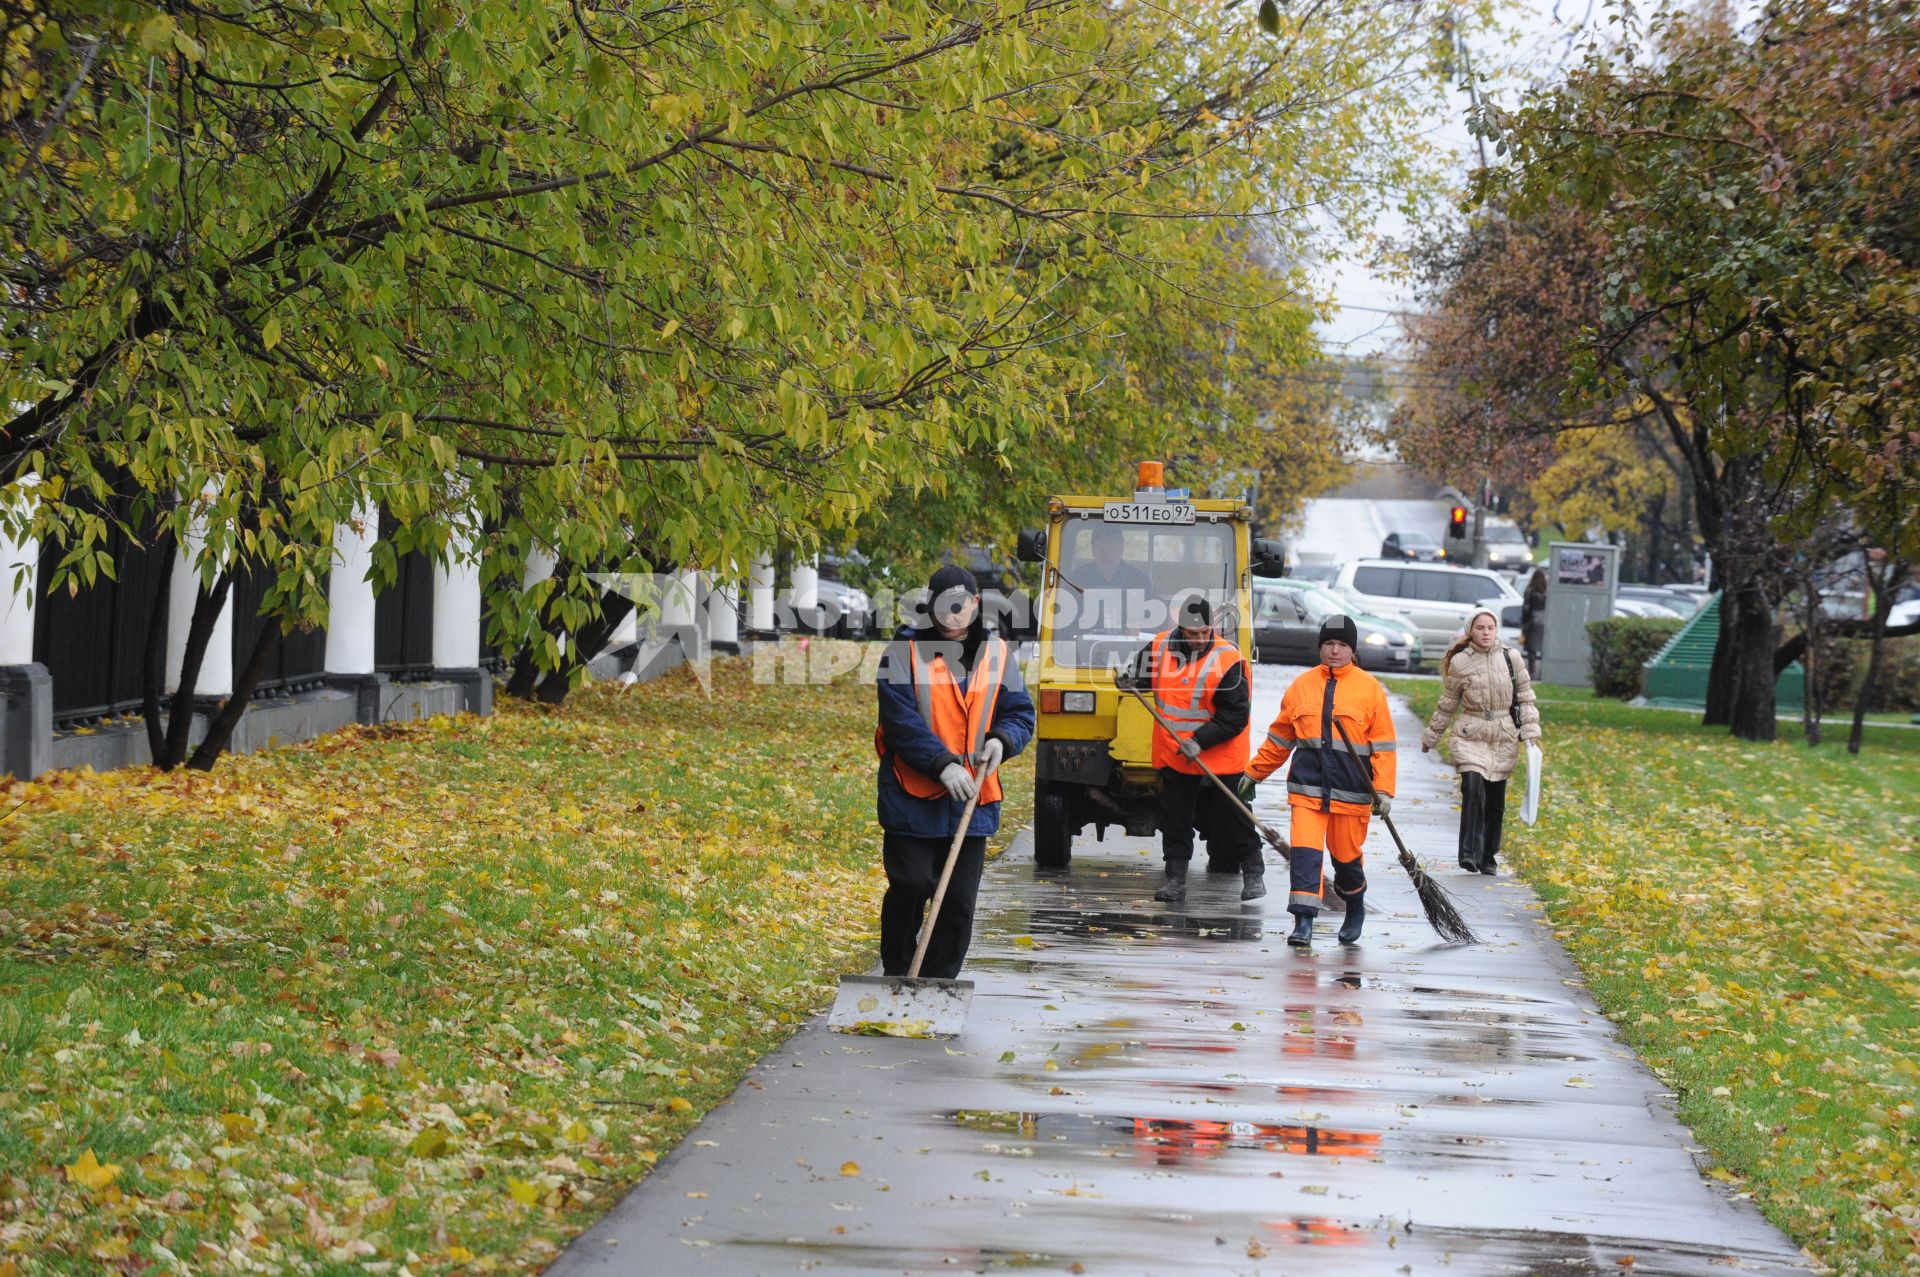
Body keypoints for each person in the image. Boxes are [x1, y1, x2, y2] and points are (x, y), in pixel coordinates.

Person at [874, 566, 1036, 977]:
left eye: (960, 605)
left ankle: (938, 983)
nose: (951, 616)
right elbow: (900, 722)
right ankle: (897, 972)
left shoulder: (998, 653)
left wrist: (1003, 740)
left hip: (973, 800)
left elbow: (1019, 713)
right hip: (914, 795)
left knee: (958, 903)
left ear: (975, 604)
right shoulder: (903, 652)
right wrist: (941, 764)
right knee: (911, 885)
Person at [1242, 614, 1397, 947]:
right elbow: (1280, 739)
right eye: (1329, 644)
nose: (1335, 651)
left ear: (1352, 651)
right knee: (1305, 856)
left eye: (1342, 645)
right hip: (1308, 791)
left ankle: (1354, 905)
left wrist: (1383, 791)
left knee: (1346, 859)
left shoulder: (1370, 690)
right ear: (1320, 648)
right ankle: (1303, 922)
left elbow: (1384, 748)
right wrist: (1254, 772)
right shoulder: (1301, 686)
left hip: (1352, 793)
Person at [1118, 594, 1259, 905]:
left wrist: (1200, 739)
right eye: (1193, 633)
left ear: (1213, 628)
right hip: (1176, 752)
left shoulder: (1228, 659)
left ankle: (1253, 871)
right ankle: (1176, 879)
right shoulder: (1158, 647)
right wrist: (1126, 679)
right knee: (1176, 818)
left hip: (1220, 751)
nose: (1199, 639)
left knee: (1232, 815)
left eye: (1205, 633)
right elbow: (1136, 676)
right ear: (1180, 628)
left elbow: (1235, 715)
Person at [1421, 607, 1542, 875]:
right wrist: (1432, 736)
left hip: (1503, 734)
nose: (1486, 633)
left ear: (1496, 630)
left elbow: (1525, 696)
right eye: (1480, 628)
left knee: (1495, 800)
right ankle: (1469, 853)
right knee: (1473, 788)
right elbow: (1448, 703)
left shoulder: (1511, 658)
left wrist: (1530, 733)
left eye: (1490, 627)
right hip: (1471, 733)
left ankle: (1488, 855)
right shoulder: (1461, 662)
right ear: (1470, 631)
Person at [1520, 566, 1547, 677]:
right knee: (1544, 646)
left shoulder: (1530, 590)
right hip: (1545, 620)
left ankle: (1532, 672)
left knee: (1532, 649)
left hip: (1532, 620)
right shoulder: (1547, 591)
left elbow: (1526, 608)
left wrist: (1524, 622)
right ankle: (1544, 672)